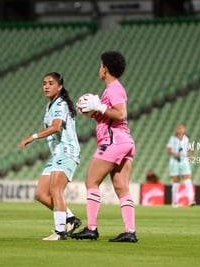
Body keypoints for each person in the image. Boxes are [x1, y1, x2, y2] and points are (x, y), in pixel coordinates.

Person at [70, 51, 138, 242]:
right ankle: (130, 232)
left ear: (105, 69)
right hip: (125, 141)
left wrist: (99, 107)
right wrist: (90, 111)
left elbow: (121, 114)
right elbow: (108, 116)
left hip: (113, 141)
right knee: (122, 188)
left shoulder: (114, 88)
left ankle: (91, 228)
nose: (99, 69)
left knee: (91, 182)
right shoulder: (113, 89)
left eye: (101, 65)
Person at [19, 72, 82, 240]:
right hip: (57, 153)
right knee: (41, 194)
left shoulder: (60, 104)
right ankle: (70, 219)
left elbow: (55, 127)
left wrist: (32, 137)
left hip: (67, 151)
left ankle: (60, 231)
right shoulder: (51, 105)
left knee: (55, 189)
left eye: (51, 83)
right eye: (44, 83)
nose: (46, 86)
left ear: (59, 87)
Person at [166, 124, 195, 207]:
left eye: (181, 128)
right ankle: (175, 202)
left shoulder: (186, 139)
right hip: (174, 161)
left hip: (184, 160)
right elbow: (168, 150)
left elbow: (188, 149)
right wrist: (175, 154)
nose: (180, 129)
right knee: (176, 181)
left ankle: (191, 200)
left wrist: (191, 156)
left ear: (184, 130)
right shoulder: (172, 139)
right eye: (178, 128)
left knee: (188, 180)